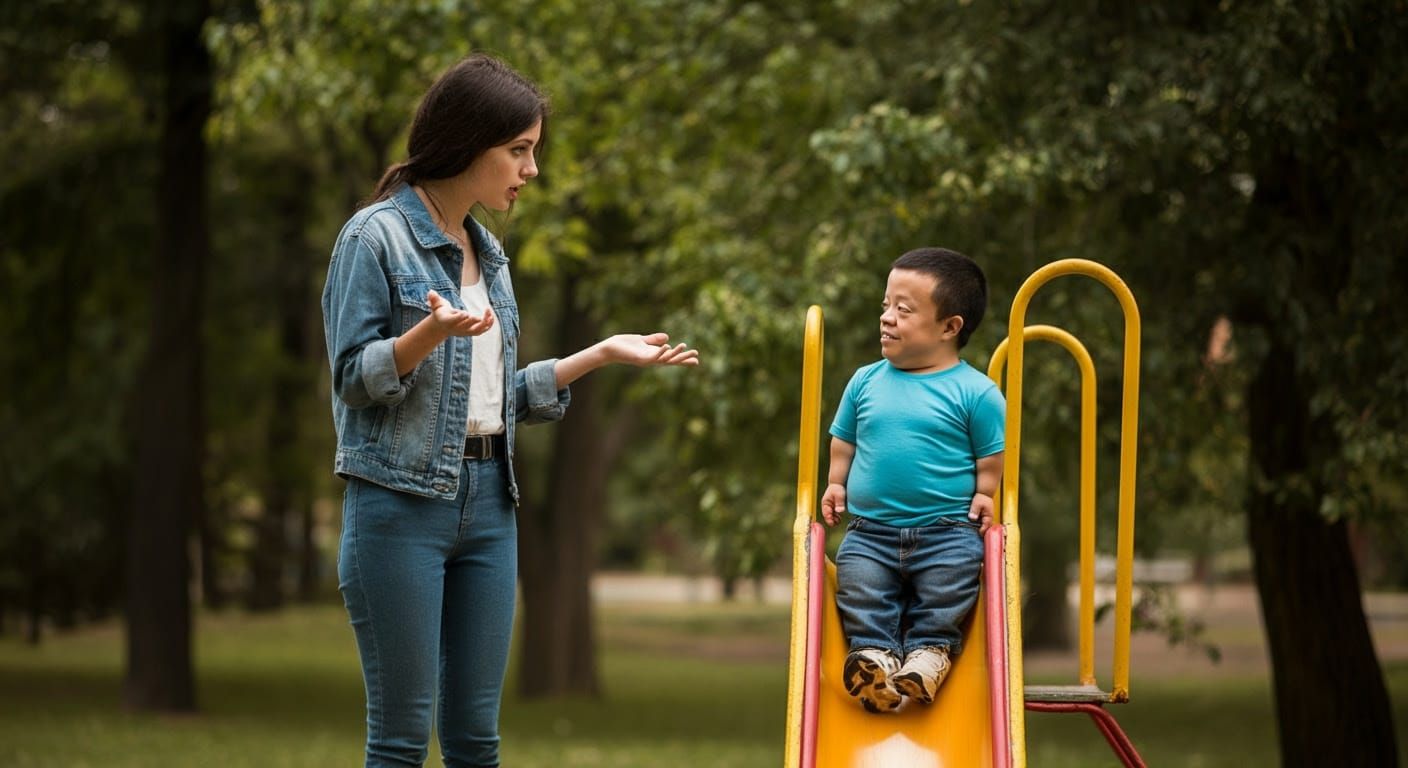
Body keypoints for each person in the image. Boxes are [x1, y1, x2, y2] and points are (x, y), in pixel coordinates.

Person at [321, 53, 699, 767]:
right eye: (519, 151)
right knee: (401, 741)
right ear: (469, 142)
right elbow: (351, 378)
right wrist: (427, 332)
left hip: (491, 506)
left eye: (534, 152)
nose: (531, 171)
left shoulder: (487, 254)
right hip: (399, 506)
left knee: (475, 742)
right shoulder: (373, 238)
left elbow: (490, 399)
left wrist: (599, 355)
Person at [820, 247, 1005, 713]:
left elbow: (991, 454)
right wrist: (836, 482)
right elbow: (844, 439)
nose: (887, 318)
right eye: (886, 305)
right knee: (859, 584)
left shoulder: (976, 391)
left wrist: (986, 492)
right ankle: (873, 657)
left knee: (952, 583)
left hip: (946, 532)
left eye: (904, 309)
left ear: (950, 327)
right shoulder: (864, 381)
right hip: (869, 531)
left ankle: (929, 653)